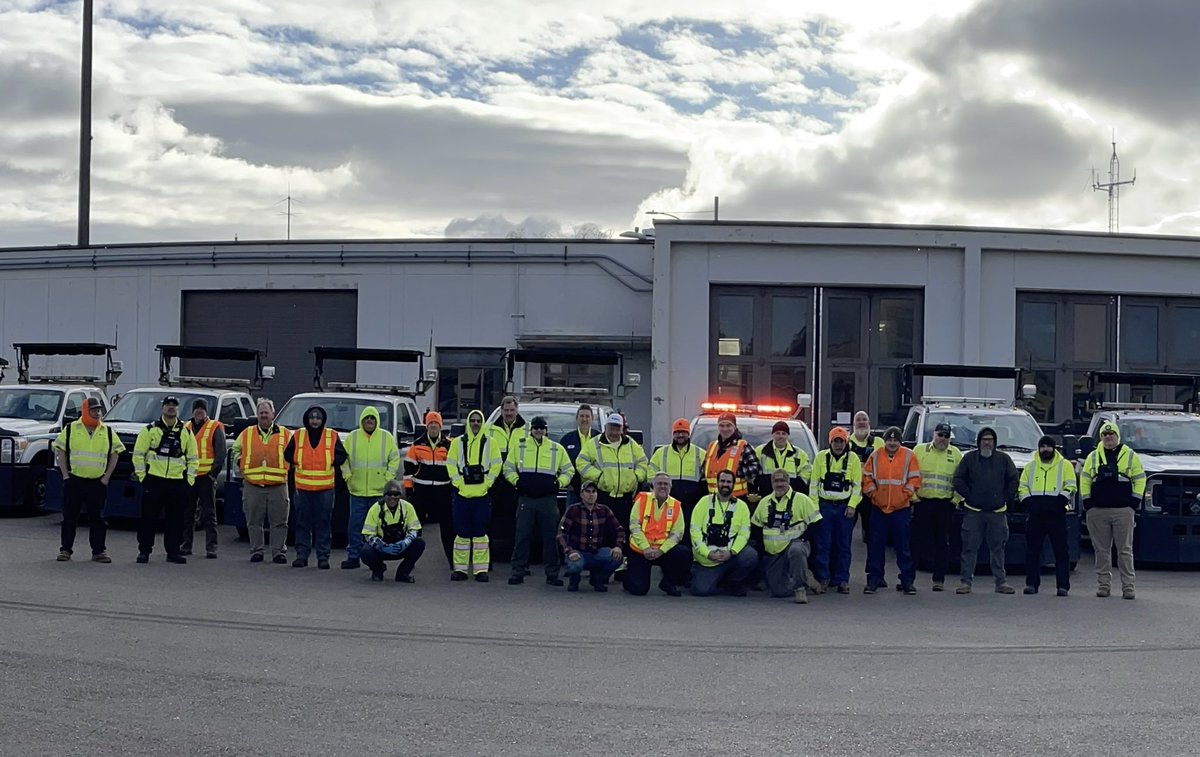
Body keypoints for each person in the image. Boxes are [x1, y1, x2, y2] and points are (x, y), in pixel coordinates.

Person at [52, 397, 123, 563]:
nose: (97, 413)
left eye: (99, 410)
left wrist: (106, 477)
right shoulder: (71, 429)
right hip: (74, 481)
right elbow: (60, 451)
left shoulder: (107, 431)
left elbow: (116, 453)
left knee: (98, 518)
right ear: (85, 410)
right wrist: (65, 475)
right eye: (93, 410)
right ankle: (65, 550)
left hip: (97, 483)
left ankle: (99, 551)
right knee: (70, 517)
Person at [505, 415, 573, 586]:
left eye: (542, 428)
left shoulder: (556, 449)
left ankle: (552, 574)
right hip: (526, 499)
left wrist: (559, 484)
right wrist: (517, 481)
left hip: (548, 500)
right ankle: (517, 572)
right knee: (522, 537)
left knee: (550, 538)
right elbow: (508, 468)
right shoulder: (519, 446)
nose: (538, 431)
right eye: (535, 427)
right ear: (531, 429)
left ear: (546, 430)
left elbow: (568, 470)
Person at [1080, 421, 1145, 600]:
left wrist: (1134, 501)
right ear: (1101, 437)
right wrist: (1087, 502)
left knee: (1124, 551)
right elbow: (1085, 479)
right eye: (1105, 435)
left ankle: (1128, 587)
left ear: (1117, 436)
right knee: (1101, 551)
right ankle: (1103, 586)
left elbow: (1140, 478)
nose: (1108, 437)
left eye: (1111, 434)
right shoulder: (1093, 457)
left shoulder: (1130, 456)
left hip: (1123, 510)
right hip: (1098, 511)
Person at [952, 427, 1019, 595]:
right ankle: (966, 582)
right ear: (979, 442)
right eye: (984, 439)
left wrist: (1005, 498)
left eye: (990, 440)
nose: (987, 442)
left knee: (998, 549)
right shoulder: (969, 459)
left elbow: (1013, 480)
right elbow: (958, 479)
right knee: (969, 548)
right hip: (973, 512)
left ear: (995, 442)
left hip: (997, 512)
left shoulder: (1004, 459)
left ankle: (1001, 582)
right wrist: (969, 495)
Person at [132, 395, 198, 564]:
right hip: (154, 481)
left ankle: (173, 552)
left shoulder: (186, 432)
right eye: (168, 405)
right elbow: (138, 455)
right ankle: (144, 551)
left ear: (178, 409)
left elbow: (193, 458)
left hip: (177, 482)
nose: (171, 408)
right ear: (162, 408)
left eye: (174, 405)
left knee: (176, 520)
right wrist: (143, 478)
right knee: (148, 518)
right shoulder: (150, 430)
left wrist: (189, 481)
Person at [283, 405, 347, 570]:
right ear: (307, 419)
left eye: (318, 418)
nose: (315, 421)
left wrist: (331, 460)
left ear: (323, 420)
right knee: (302, 523)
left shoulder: (331, 435)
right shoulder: (298, 435)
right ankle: (301, 556)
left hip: (325, 488)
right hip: (303, 488)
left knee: (323, 523)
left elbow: (341, 455)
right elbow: (287, 454)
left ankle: (323, 557)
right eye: (312, 418)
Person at [861, 427, 921, 595]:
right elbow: (867, 477)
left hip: (901, 509)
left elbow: (915, 478)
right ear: (885, 441)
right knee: (875, 546)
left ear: (899, 441)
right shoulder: (875, 455)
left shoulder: (909, 456)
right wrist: (874, 494)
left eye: (895, 440)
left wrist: (907, 493)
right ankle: (874, 579)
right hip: (878, 508)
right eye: (889, 440)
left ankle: (907, 581)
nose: (892, 443)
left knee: (903, 547)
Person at [340, 405, 401, 569]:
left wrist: (387, 479)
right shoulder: (352, 437)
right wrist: (348, 478)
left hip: (378, 493)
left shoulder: (386, 437)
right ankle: (353, 556)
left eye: (372, 418)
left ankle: (377, 558)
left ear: (377, 421)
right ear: (361, 420)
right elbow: (343, 461)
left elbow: (394, 459)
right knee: (355, 526)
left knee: (378, 528)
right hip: (357, 491)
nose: (369, 421)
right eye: (366, 418)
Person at [232, 398, 291, 564]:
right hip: (253, 484)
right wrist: (239, 461)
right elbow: (235, 449)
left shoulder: (285, 434)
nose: (264, 416)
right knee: (253, 521)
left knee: (279, 522)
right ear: (257, 415)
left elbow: (294, 453)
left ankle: (278, 552)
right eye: (261, 413)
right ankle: (257, 550)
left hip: (278, 485)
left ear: (273, 414)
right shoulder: (247, 433)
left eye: (267, 412)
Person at [446, 409, 502, 582]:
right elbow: (451, 465)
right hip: (462, 495)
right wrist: (459, 484)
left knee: (480, 535)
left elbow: (496, 465)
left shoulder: (491, 443)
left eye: (478, 421)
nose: (476, 424)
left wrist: (487, 484)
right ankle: (461, 570)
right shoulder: (457, 443)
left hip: (482, 496)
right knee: (461, 535)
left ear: (482, 422)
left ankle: (480, 570)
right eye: (473, 421)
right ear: (468, 423)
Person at [751, 469, 823, 603]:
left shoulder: (802, 499)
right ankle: (806, 577)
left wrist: (802, 539)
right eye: (776, 481)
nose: (779, 484)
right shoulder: (764, 502)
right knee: (778, 591)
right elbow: (756, 526)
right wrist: (762, 548)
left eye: (782, 481)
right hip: (773, 552)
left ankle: (800, 589)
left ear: (788, 482)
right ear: (772, 483)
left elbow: (816, 522)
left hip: (795, 544)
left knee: (796, 551)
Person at [1020, 435, 1077, 596]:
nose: (1046, 450)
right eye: (1042, 447)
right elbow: (1022, 487)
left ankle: (1063, 586)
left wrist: (1060, 501)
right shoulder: (1030, 467)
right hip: (1036, 515)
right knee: (1032, 551)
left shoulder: (1065, 465)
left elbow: (1071, 484)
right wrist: (1029, 503)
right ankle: (1031, 584)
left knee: (1061, 552)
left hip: (1056, 515)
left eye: (1048, 447)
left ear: (1054, 448)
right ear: (1038, 449)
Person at [577, 412, 650, 536]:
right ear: (605, 427)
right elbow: (581, 462)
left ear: (622, 429)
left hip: (626, 498)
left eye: (617, 429)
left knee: (624, 530)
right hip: (603, 495)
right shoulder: (594, 443)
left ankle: (622, 554)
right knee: (603, 530)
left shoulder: (631, 444)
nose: (614, 432)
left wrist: (636, 477)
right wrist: (598, 476)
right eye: (611, 428)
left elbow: (643, 462)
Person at [809, 426, 862, 594]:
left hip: (844, 508)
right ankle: (823, 578)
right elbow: (814, 485)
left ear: (846, 442)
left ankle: (842, 580)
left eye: (841, 441)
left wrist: (852, 505)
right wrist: (815, 509)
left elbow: (857, 485)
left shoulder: (852, 459)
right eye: (835, 441)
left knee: (843, 546)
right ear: (830, 442)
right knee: (823, 545)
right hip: (824, 506)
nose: (838, 445)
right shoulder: (820, 458)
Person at [911, 422, 962, 591]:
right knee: (916, 542)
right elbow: (908, 474)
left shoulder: (955, 454)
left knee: (942, 543)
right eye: (940, 435)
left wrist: (955, 501)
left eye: (946, 436)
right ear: (934, 434)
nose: (943, 439)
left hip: (945, 505)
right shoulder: (919, 450)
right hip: (922, 503)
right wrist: (912, 497)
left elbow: (962, 480)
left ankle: (938, 580)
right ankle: (908, 579)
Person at [690, 470, 757, 597]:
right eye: (722, 481)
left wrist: (732, 552)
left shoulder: (742, 506)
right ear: (717, 483)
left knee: (750, 556)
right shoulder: (703, 502)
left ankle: (732, 582)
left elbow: (744, 534)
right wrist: (707, 553)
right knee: (700, 591)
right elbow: (695, 532)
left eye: (728, 482)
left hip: (729, 555)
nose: (725, 484)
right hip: (708, 559)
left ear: (733, 484)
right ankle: (710, 578)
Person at [623, 472, 691, 597]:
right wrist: (646, 548)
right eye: (659, 484)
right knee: (639, 590)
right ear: (653, 486)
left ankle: (668, 583)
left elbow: (677, 534)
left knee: (684, 553)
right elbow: (634, 527)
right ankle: (628, 577)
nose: (663, 487)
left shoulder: (676, 505)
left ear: (670, 487)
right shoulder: (641, 500)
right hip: (640, 550)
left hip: (662, 551)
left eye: (666, 484)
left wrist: (661, 550)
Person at [557, 480, 626, 592]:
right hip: (578, 553)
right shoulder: (573, 509)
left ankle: (598, 580)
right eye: (587, 491)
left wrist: (618, 546)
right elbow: (561, 533)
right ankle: (574, 580)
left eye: (594, 492)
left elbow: (619, 530)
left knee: (617, 558)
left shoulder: (604, 510)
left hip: (597, 552)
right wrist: (569, 551)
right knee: (575, 566)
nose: (591, 494)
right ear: (581, 494)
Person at [404, 411, 454, 564]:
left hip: (443, 492)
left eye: (436, 423)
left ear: (440, 426)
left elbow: (455, 468)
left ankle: (453, 561)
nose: (433, 426)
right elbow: (408, 470)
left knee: (448, 529)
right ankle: (410, 561)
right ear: (427, 425)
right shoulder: (417, 444)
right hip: (421, 492)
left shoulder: (450, 444)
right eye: (431, 423)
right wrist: (408, 490)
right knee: (415, 529)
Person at [182, 398, 224, 559]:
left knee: (209, 514)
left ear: (206, 411)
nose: (199, 411)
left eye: (202, 409)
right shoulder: (185, 427)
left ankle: (211, 547)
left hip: (206, 478)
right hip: (189, 477)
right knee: (188, 513)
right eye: (197, 408)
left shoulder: (214, 427)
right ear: (193, 411)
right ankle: (186, 545)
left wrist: (212, 475)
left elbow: (220, 454)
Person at [359, 480, 426, 582]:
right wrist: (383, 546)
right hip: (382, 548)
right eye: (389, 494)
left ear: (400, 495)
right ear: (384, 496)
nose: (392, 498)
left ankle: (402, 574)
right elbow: (368, 535)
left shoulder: (408, 507)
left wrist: (404, 543)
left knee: (419, 543)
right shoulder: (375, 509)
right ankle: (378, 570)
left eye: (396, 494)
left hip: (401, 546)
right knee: (365, 551)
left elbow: (414, 530)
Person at [648, 418, 706, 528]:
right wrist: (658, 491)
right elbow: (651, 473)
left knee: (690, 531)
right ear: (673, 434)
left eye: (683, 432)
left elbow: (706, 477)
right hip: (667, 503)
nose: (680, 435)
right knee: (667, 530)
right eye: (677, 432)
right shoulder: (661, 453)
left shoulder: (701, 453)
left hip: (692, 504)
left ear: (688, 434)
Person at [487, 395, 527, 542]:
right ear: (501, 411)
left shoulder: (528, 429)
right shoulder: (488, 428)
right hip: (494, 481)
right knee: (493, 518)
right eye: (506, 410)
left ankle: (512, 547)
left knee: (515, 518)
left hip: (517, 481)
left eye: (512, 410)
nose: (509, 413)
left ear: (517, 410)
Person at [702, 412, 761, 504]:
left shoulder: (743, 446)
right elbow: (704, 470)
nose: (725, 429)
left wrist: (735, 473)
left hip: (736, 499)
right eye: (722, 425)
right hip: (712, 499)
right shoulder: (712, 446)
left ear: (735, 427)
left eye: (728, 425)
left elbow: (756, 468)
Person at [847, 411, 883, 543]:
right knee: (846, 531)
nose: (861, 422)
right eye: (858, 420)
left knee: (872, 533)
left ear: (869, 423)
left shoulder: (879, 442)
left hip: (872, 492)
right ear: (853, 424)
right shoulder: (846, 443)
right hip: (852, 493)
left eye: (864, 419)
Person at [755, 421, 812, 496]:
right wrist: (762, 484)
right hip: (766, 497)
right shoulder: (760, 451)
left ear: (788, 436)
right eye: (778, 433)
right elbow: (753, 472)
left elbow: (806, 473)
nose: (781, 436)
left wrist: (793, 484)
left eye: (784, 433)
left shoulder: (800, 454)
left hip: (791, 497)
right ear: (772, 434)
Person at [558, 404, 594, 504]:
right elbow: (559, 462)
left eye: (587, 416)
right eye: (581, 416)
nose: (584, 419)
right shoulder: (567, 439)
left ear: (592, 419)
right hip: (573, 489)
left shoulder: (599, 438)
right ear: (577, 419)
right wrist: (568, 483)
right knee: (570, 518)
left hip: (594, 490)